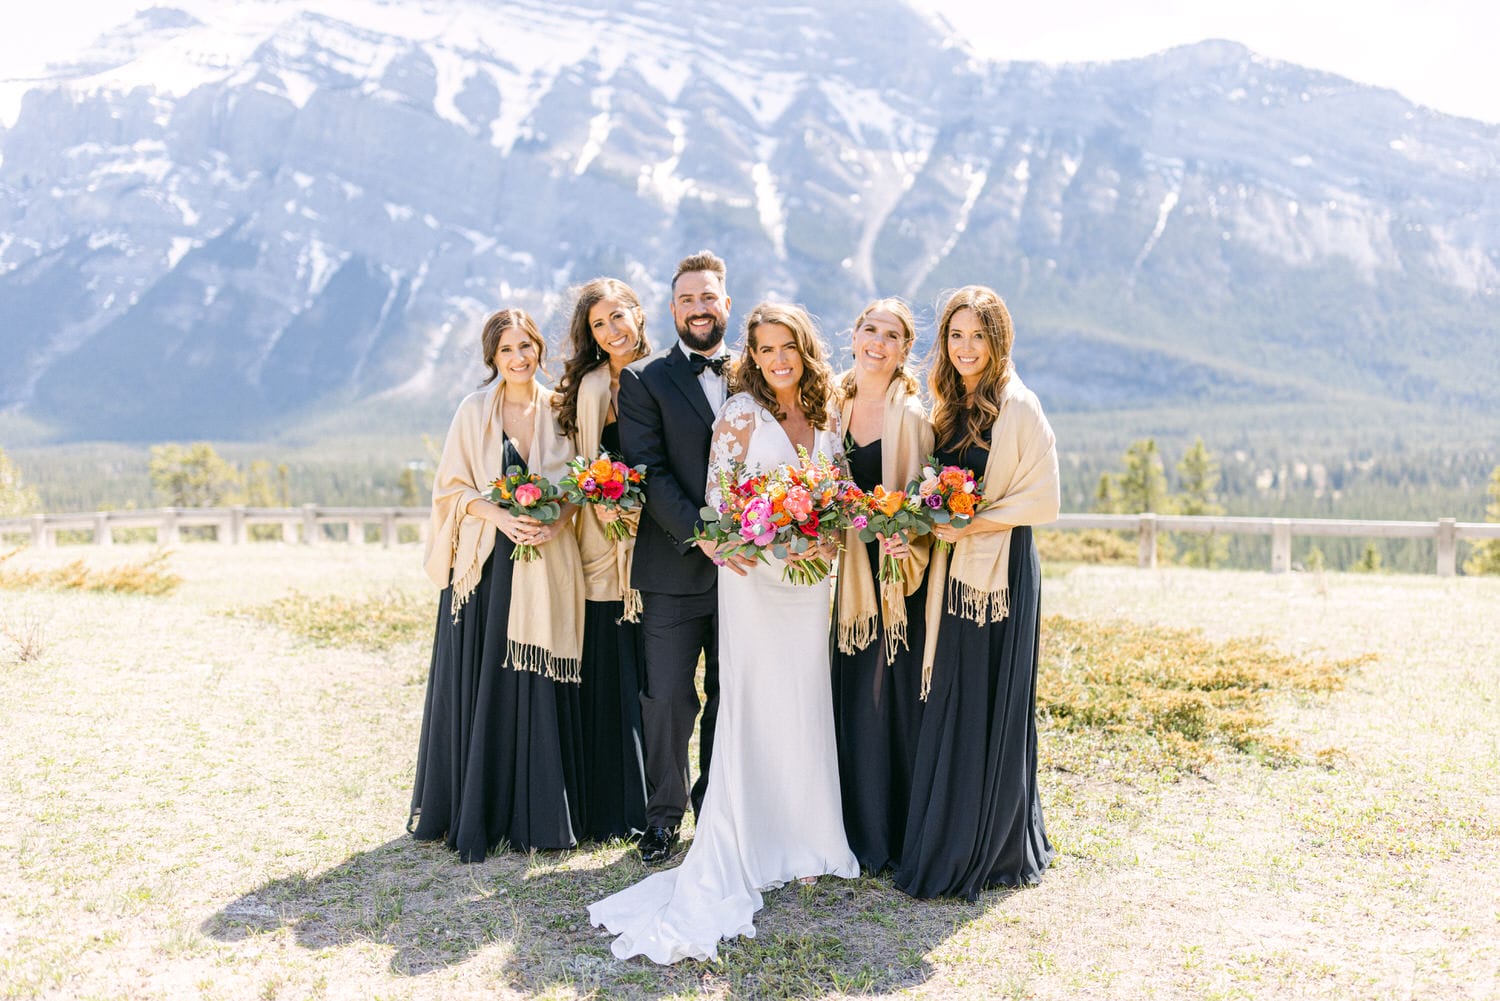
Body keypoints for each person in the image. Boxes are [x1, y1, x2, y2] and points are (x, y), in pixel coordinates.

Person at [589, 302, 859, 964]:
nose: (777, 358)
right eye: (765, 348)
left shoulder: (826, 413)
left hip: (809, 579)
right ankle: (753, 838)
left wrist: (820, 533)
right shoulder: (741, 412)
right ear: (754, 355)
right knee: (756, 701)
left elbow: (842, 490)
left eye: (787, 345)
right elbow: (722, 494)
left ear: (804, 347)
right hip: (754, 575)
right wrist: (772, 535)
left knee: (806, 699)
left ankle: (810, 837)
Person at [895, 285, 1061, 901]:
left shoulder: (1018, 406)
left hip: (1000, 572)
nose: (966, 347)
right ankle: (951, 830)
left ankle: (987, 844)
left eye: (978, 336)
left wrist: (972, 522)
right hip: (953, 565)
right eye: (956, 335)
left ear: (999, 340)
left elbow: (1043, 498)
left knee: (987, 693)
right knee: (955, 692)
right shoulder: (945, 404)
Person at [409, 308, 586, 862]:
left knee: (535, 680)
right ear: (493, 357)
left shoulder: (561, 409)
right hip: (487, 568)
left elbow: (581, 484)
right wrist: (502, 518)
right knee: (492, 679)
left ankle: (538, 814)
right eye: (507, 350)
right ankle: (478, 806)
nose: (519, 358)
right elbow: (451, 490)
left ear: (540, 349)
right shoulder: (472, 411)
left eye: (527, 347)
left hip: (547, 563)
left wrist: (554, 522)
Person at [615, 250, 734, 865]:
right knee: (666, 698)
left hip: (746, 573)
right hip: (673, 567)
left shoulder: (754, 375)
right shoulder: (643, 381)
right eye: (687, 299)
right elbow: (649, 471)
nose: (698, 308)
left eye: (708, 297)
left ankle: (716, 807)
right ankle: (662, 816)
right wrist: (702, 533)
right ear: (672, 309)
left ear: (726, 304)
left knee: (731, 693)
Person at [831, 298, 934, 873]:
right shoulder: (830, 404)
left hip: (896, 577)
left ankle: (888, 834)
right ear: (854, 336)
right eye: (871, 329)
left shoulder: (914, 415)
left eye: (892, 335)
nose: (878, 341)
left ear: (903, 349)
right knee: (850, 699)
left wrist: (907, 535)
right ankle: (846, 828)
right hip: (844, 577)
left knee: (887, 702)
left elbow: (926, 498)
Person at [553, 278, 652, 842]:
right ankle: (604, 809)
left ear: (638, 315)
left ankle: (649, 802)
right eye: (598, 324)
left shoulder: (665, 373)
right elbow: (578, 463)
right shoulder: (590, 388)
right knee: (605, 668)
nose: (612, 330)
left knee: (650, 677)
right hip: (598, 541)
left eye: (619, 316)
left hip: (654, 543)